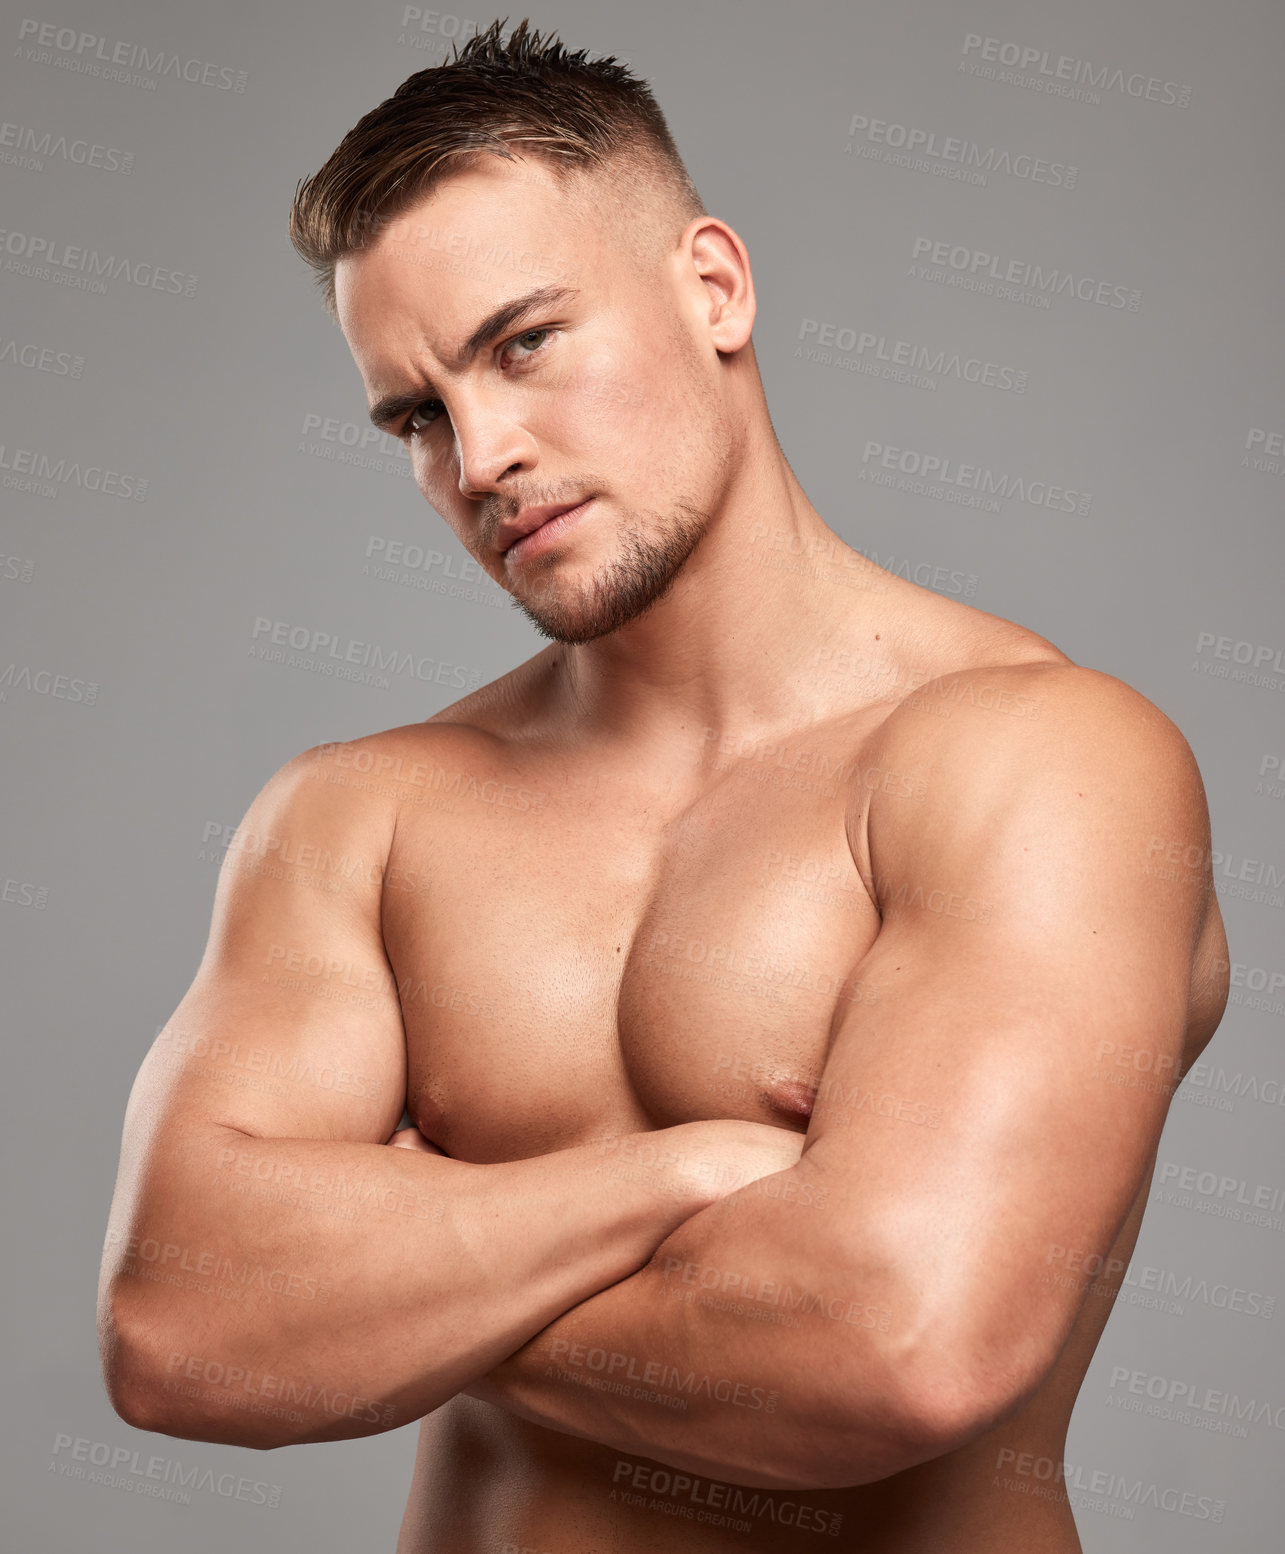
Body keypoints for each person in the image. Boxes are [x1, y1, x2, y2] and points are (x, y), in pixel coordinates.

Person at [98, 18, 1230, 1552]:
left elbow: (895, 1348)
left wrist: (386, 1286)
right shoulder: (357, 818)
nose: (482, 451)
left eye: (523, 342)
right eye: (417, 415)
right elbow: (173, 1323)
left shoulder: (1038, 759)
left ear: (712, 287)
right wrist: (681, 1174)